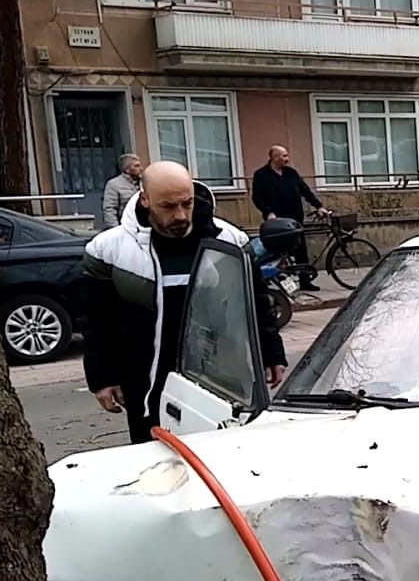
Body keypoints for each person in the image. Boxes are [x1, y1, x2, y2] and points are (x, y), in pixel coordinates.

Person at [82, 161, 288, 445]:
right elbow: (96, 319)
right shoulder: (109, 250)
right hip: (147, 384)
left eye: (186, 203)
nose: (180, 215)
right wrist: (101, 377)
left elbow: (255, 302)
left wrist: (272, 352)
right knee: (157, 469)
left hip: (218, 380)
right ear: (145, 199)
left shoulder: (230, 240)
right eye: (167, 206)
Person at [251, 145, 327, 291]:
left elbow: (305, 190)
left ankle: (305, 281)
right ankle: (274, 280)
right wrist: (268, 212)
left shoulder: (291, 173)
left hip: (295, 219)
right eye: (284, 156)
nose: (287, 159)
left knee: (300, 250)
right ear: (275, 158)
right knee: (277, 252)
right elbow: (257, 197)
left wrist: (318, 206)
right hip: (276, 221)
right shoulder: (261, 175)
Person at [99, 154, 142, 232]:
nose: (141, 168)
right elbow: (110, 209)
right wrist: (116, 229)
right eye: (136, 166)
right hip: (126, 227)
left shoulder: (144, 182)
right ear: (127, 169)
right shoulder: (114, 184)